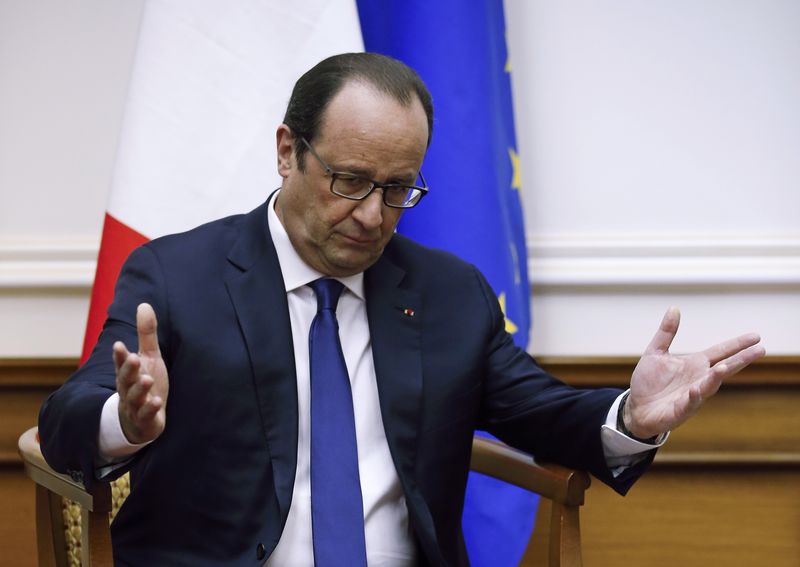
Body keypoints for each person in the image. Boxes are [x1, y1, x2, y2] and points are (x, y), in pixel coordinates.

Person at [39, 53, 765, 567]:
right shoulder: (178, 275)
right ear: (288, 151)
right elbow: (68, 415)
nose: (370, 215)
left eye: (398, 189)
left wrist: (631, 418)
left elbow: (543, 414)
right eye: (350, 180)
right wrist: (125, 424)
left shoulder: (448, 294)